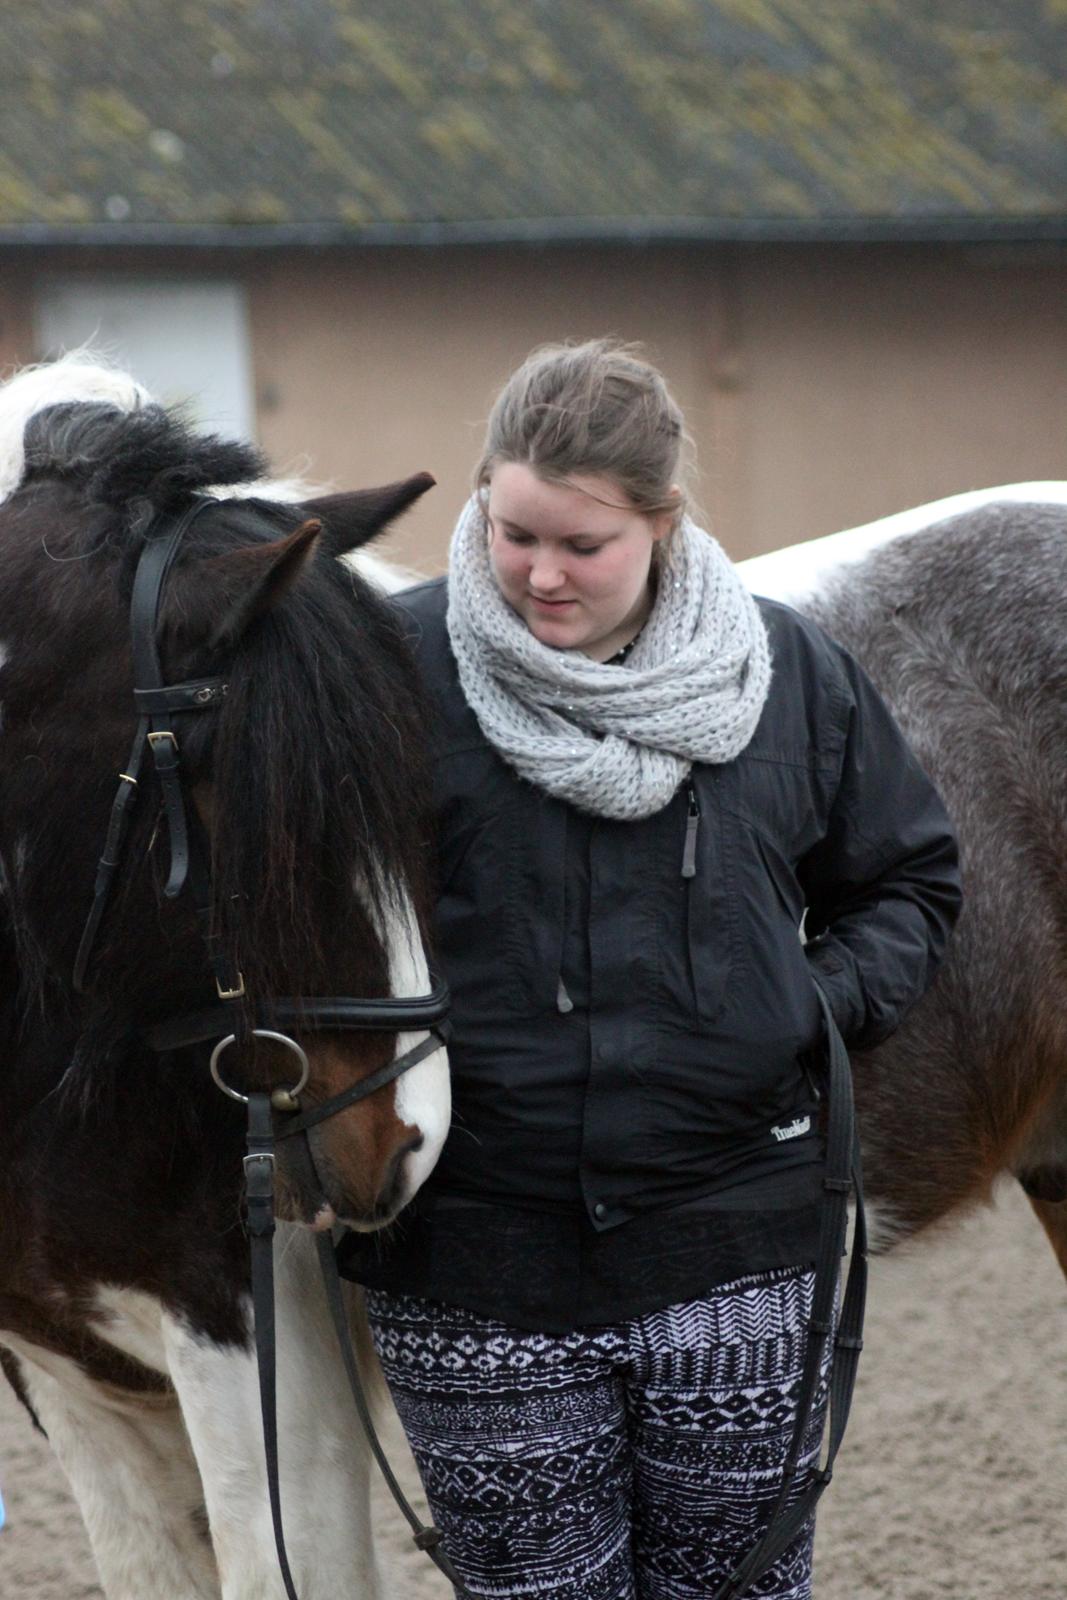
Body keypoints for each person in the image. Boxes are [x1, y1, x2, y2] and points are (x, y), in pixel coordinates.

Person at [339, 339, 961, 1600]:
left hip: (736, 1247)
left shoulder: (792, 678)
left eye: (583, 545)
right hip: (475, 1264)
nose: (539, 573)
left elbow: (908, 883)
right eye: (513, 532)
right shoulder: (385, 678)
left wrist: (808, 1005)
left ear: (662, 525)